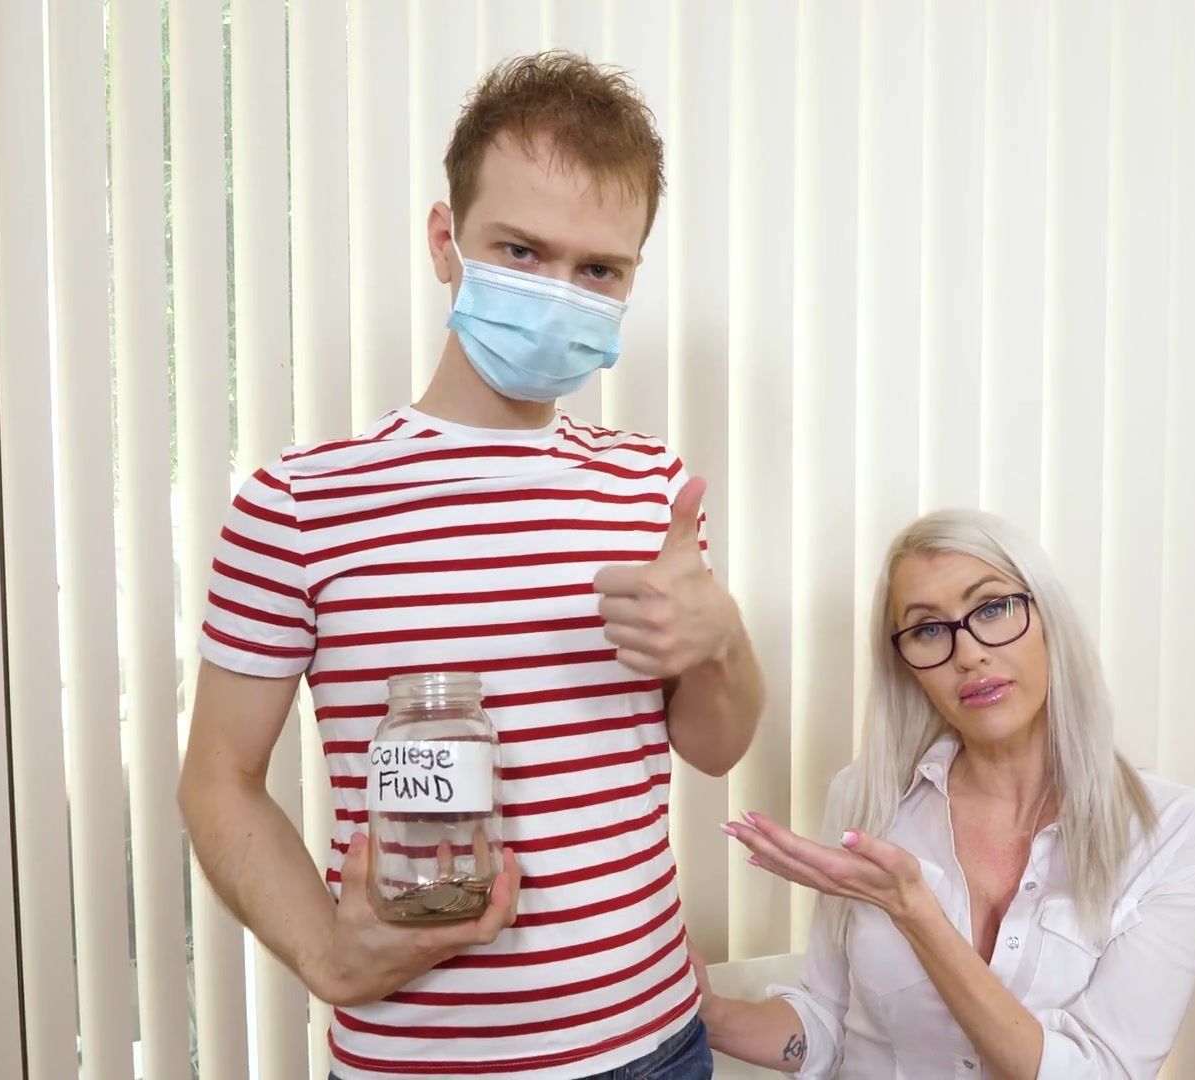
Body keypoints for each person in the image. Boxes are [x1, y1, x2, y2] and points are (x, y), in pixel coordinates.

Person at [178, 50, 763, 1080]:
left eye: (599, 271)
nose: (559, 293)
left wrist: (723, 641)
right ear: (445, 241)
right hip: (418, 1061)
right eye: (522, 250)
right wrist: (325, 955)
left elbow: (715, 748)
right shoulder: (299, 504)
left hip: (654, 1042)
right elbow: (217, 779)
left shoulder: (651, 489)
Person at [703, 509, 1195, 1079]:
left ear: (1048, 619)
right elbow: (826, 1025)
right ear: (907, 665)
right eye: (929, 629)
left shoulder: (1178, 834)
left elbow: (1101, 1072)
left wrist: (917, 913)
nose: (968, 654)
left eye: (992, 608)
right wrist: (701, 1012)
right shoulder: (867, 797)